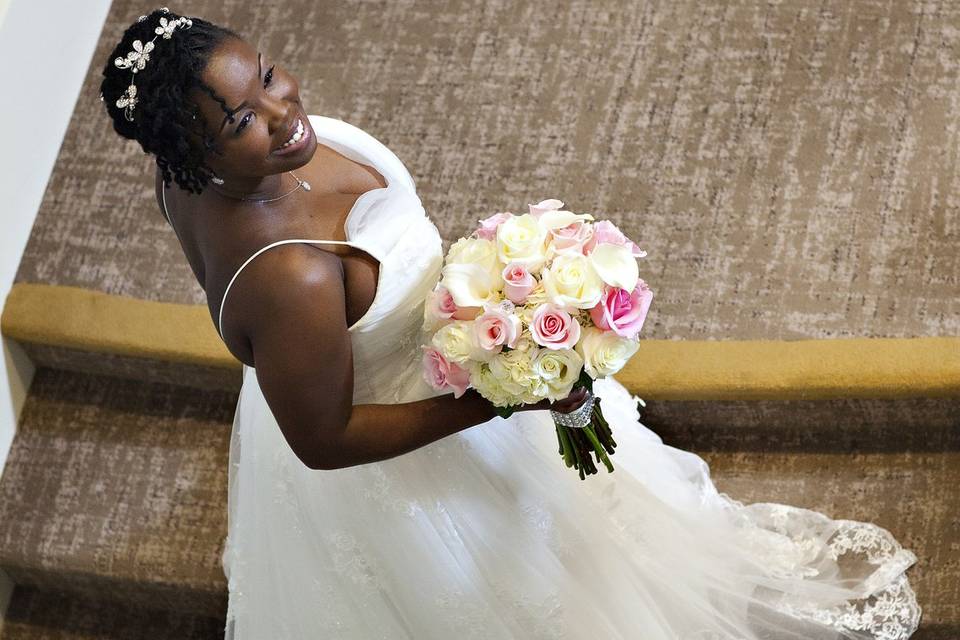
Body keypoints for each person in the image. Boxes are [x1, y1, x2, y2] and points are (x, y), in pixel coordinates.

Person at [99, 9, 922, 639]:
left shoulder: (207, 165)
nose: (284, 115)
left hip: (373, 350)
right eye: (242, 121)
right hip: (405, 430)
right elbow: (324, 441)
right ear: (193, 156)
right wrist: (501, 399)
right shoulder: (289, 277)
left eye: (268, 77)